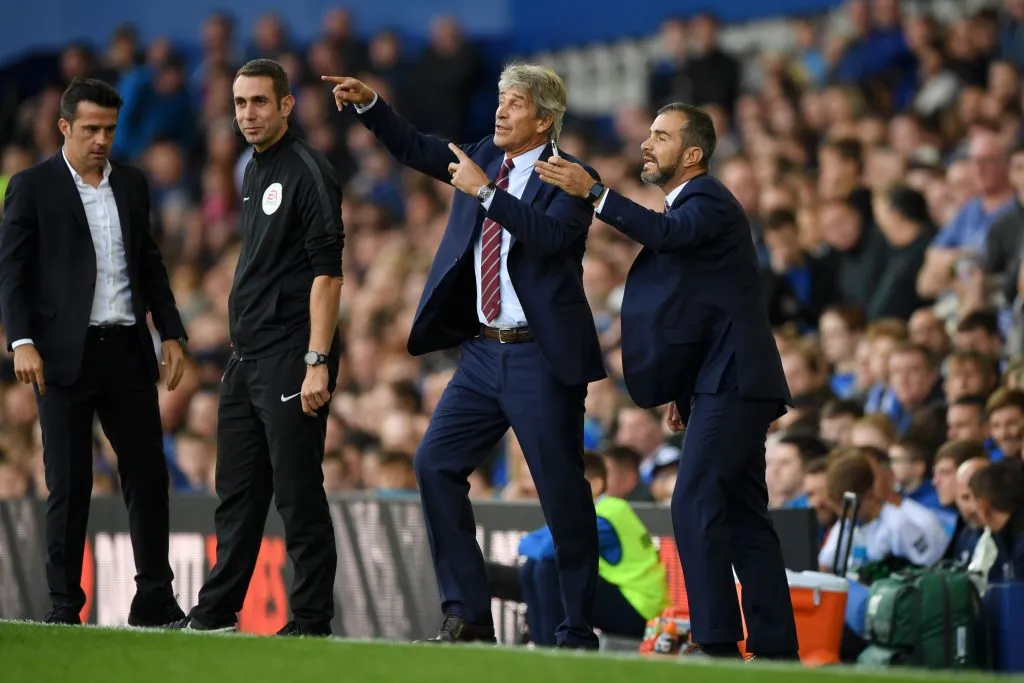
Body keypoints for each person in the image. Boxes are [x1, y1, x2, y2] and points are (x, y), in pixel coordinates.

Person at [324, 64, 606, 648]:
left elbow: (550, 241)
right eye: (500, 100)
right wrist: (373, 106)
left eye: (515, 104)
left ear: (545, 120)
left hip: (541, 357)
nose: (500, 111)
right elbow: (420, 149)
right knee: (434, 464)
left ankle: (576, 626)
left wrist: (484, 191)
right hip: (481, 352)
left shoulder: (572, 177)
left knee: (560, 492)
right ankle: (469, 614)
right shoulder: (484, 153)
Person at [534, 103, 798, 659]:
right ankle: (777, 651)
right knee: (745, 517)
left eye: (661, 136)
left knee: (693, 500)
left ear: (693, 153)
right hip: (721, 382)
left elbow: (667, 235)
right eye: (647, 135)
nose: (647, 145)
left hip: (734, 378)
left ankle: (717, 642)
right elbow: (699, 310)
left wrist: (595, 194)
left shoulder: (708, 200)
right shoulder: (689, 209)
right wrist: (682, 390)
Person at [0, 77, 188, 626]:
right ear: (64, 127)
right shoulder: (32, 186)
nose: (102, 139)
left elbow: (148, 263)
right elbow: (11, 273)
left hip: (127, 350)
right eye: (90, 129)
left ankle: (154, 598)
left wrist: (171, 332)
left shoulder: (131, 184)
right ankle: (64, 606)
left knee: (149, 476)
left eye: (109, 128)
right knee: (70, 482)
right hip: (61, 356)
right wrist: (21, 340)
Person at [172, 59, 345, 636]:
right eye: (240, 103)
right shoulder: (253, 169)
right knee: (237, 496)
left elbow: (328, 274)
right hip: (245, 357)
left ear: (287, 105)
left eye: (260, 102)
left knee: (297, 494)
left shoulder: (308, 171)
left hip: (294, 355)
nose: (248, 113)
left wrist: (317, 360)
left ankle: (312, 620)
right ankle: (215, 614)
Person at [493, 452, 669, 646]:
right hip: (627, 601)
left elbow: (547, 550)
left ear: (594, 485)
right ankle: (542, 645)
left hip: (643, 614)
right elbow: (525, 543)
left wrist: (540, 546)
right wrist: (539, 547)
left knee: (549, 568)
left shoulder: (608, 513)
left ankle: (555, 648)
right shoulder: (588, 511)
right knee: (532, 567)